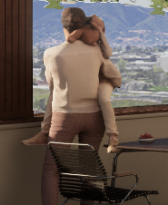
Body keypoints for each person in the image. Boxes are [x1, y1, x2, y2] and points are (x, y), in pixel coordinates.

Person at [24, 8, 122, 205]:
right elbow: (109, 76)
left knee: (51, 171)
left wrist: (44, 127)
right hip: (95, 117)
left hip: (65, 116)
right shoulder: (96, 51)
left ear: (63, 26)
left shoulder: (51, 54)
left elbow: (51, 90)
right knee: (87, 170)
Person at [24, 14, 122, 153]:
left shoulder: (96, 49)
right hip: (93, 111)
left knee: (103, 99)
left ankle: (113, 136)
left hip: (104, 83)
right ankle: (44, 133)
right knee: (88, 162)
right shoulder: (95, 49)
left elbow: (115, 76)